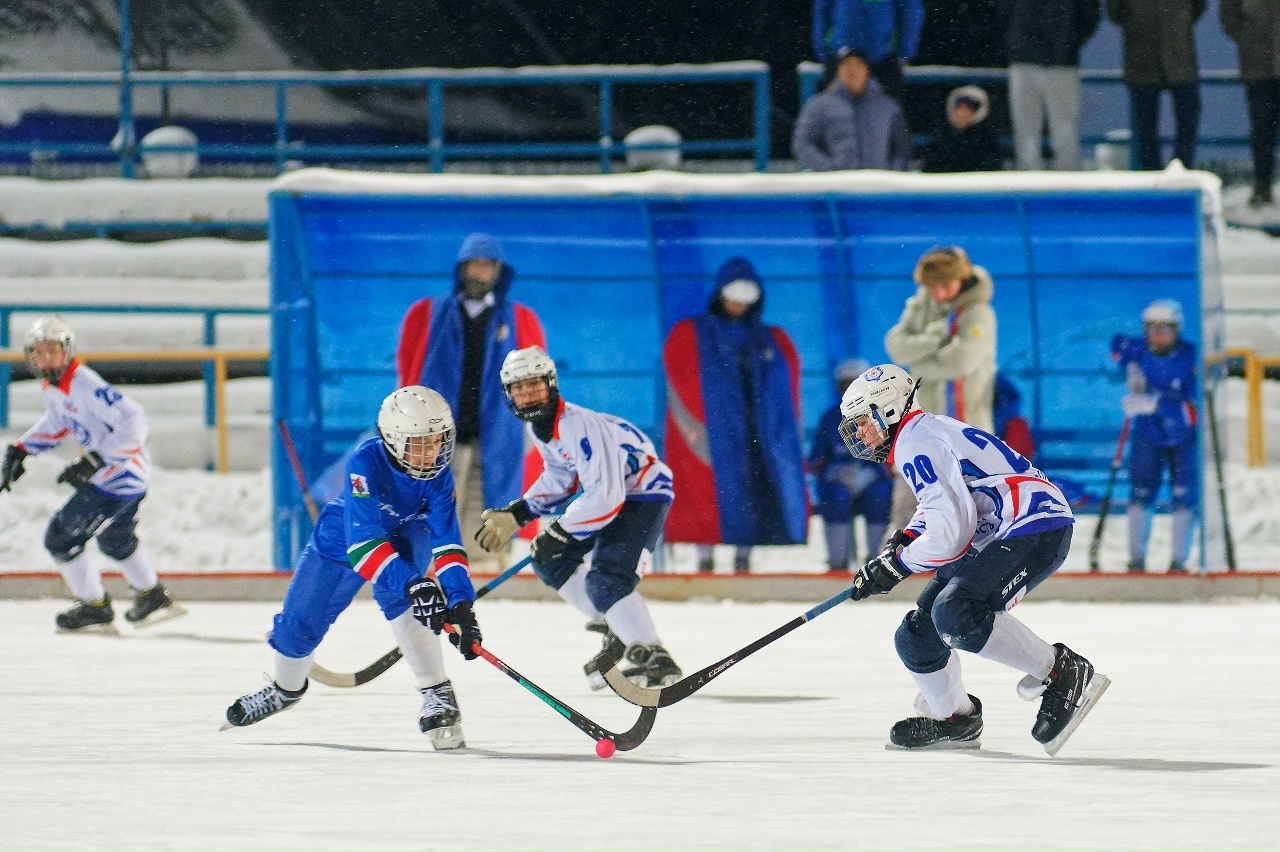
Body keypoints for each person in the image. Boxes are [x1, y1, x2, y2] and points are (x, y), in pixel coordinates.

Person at [839, 363, 1109, 753]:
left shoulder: (916, 441)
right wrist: (908, 540)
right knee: (917, 635)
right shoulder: (922, 432)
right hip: (1008, 526)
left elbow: (952, 533)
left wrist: (899, 564)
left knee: (956, 612)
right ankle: (956, 720)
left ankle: (1062, 670)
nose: (860, 433)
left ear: (890, 409)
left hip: (1035, 524)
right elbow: (949, 503)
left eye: (863, 421)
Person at [224, 387, 483, 748]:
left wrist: (461, 603)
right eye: (420, 443)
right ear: (394, 440)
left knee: (405, 599)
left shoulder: (438, 477)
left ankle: (438, 693)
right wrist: (414, 583)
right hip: (345, 535)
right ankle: (285, 690)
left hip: (408, 528)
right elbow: (364, 545)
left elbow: (448, 544)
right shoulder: (364, 462)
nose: (432, 453)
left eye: (437, 441)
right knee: (298, 625)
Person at [473, 346, 683, 690]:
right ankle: (620, 627)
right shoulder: (540, 426)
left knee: (607, 578)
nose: (527, 394)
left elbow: (606, 495)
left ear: (551, 384)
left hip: (643, 492)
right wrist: (520, 512)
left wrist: (560, 531)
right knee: (550, 560)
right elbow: (561, 477)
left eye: (534, 385)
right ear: (508, 394)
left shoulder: (578, 425)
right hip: (618, 493)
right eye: (518, 388)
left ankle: (655, 656)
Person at [0, 317, 182, 633]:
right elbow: (58, 422)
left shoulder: (86, 385)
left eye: (52, 351)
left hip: (118, 480)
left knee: (60, 537)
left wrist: (96, 460)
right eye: (38, 353)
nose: (45, 359)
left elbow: (135, 421)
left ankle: (94, 605)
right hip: (125, 478)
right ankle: (151, 595)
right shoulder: (54, 387)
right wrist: (22, 449)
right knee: (115, 538)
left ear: (67, 351)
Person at [395, 232, 546, 573]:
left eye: (488, 266)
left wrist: (529, 424)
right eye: (475, 265)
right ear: (462, 269)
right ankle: (428, 566)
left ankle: (480, 568)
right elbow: (408, 366)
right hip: (440, 431)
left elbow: (536, 376)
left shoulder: (520, 319)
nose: (481, 273)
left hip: (496, 431)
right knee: (433, 502)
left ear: (498, 272)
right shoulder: (427, 313)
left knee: (486, 501)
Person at [660, 257, 807, 574]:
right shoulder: (691, 334)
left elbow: (787, 385)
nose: (738, 306)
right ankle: (704, 561)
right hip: (713, 431)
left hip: (756, 432)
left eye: (745, 300)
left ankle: (743, 559)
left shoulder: (771, 338)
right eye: (733, 298)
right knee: (707, 495)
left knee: (751, 493)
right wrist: (695, 428)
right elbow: (680, 383)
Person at [882, 245, 997, 547]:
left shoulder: (978, 313)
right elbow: (895, 346)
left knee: (974, 501)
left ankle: (975, 565)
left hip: (965, 426)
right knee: (910, 492)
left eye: (946, 285)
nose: (939, 293)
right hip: (921, 423)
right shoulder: (921, 307)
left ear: (962, 279)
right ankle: (897, 561)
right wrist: (935, 339)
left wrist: (917, 362)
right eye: (932, 286)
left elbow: (960, 362)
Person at [1110, 299, 1198, 573]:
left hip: (1184, 440)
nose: (1157, 334)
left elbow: (1191, 413)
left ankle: (1179, 562)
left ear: (1177, 330)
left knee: (1184, 496)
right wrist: (1129, 367)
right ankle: (1136, 561)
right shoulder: (1139, 351)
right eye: (1152, 328)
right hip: (1148, 435)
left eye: (1165, 328)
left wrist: (1157, 403)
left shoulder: (1191, 357)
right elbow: (1118, 345)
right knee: (1140, 493)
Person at [809, 360, 893, 571]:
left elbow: (893, 458)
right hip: (838, 482)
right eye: (845, 384)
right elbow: (816, 460)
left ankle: (878, 563)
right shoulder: (829, 419)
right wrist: (833, 473)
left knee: (880, 496)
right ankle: (838, 563)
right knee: (835, 498)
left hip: (871, 480)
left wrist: (873, 473)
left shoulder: (883, 416)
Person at [1106, 0, 1205, 170]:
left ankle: (1182, 171)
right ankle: (1151, 176)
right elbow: (1114, 11)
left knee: (1188, 116)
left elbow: (1198, 7)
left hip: (1179, 59)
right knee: (1145, 127)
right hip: (1142, 59)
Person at [1002, 0, 1100, 171]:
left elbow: (1090, 15)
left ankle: (1068, 184)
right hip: (1026, 57)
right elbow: (1003, 11)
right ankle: (1028, 185)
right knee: (1026, 130)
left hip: (1060, 60)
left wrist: (1069, 42)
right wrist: (1017, 37)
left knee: (1064, 131)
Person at [793, 47, 913, 172]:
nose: (853, 70)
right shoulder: (818, 106)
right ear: (838, 71)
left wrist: (892, 174)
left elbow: (902, 148)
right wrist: (828, 171)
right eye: (847, 65)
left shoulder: (888, 106)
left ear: (867, 70)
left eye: (859, 64)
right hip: (836, 187)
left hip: (879, 187)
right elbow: (803, 143)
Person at [1220, 0, 1280, 206]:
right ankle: (1262, 187)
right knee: (1261, 129)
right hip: (1258, 65)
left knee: (1262, 129)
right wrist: (1247, 38)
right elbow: (1228, 12)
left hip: (1257, 63)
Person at [811, 0, 925, 101]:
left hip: (883, 61)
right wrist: (824, 53)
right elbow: (821, 11)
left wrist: (903, 53)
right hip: (840, 60)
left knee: (885, 118)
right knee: (833, 116)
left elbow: (912, 13)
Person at [920, 86, 1005, 173]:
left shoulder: (986, 138)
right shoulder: (942, 135)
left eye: (968, 110)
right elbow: (930, 166)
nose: (961, 114)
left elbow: (991, 167)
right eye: (959, 109)